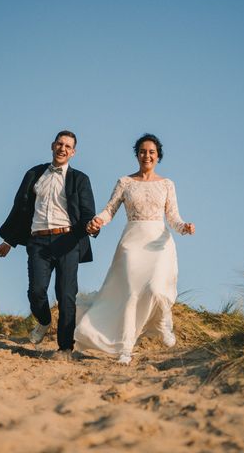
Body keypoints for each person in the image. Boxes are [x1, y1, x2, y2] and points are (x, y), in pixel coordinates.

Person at [75, 134, 195, 365]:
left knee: (157, 289)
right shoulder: (125, 182)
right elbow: (109, 210)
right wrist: (97, 221)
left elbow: (173, 217)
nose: (146, 155)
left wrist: (185, 228)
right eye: (142, 151)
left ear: (158, 155)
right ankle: (125, 349)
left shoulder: (167, 184)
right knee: (131, 295)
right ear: (137, 155)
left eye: (151, 152)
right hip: (132, 243)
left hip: (159, 243)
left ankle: (162, 325)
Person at [0, 130, 97, 361]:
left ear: (73, 152)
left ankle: (64, 349)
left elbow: (88, 212)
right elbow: (21, 208)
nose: (63, 149)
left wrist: (92, 226)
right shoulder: (34, 174)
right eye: (60, 144)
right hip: (38, 240)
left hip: (68, 240)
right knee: (36, 291)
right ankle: (43, 321)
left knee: (66, 295)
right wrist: (9, 240)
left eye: (68, 146)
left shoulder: (80, 179)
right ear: (52, 146)